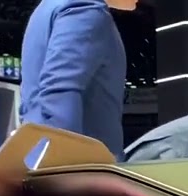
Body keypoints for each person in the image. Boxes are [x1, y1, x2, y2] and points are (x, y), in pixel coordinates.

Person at [19, 0, 137, 158]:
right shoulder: (85, 9)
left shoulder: (48, 8)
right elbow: (60, 93)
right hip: (81, 166)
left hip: (37, 155)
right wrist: (66, 164)